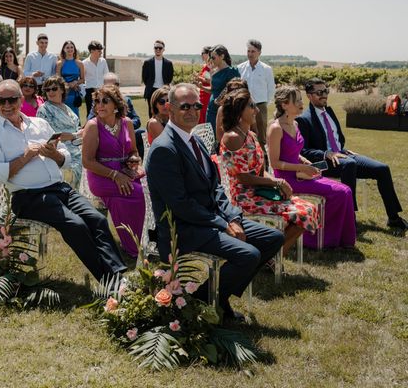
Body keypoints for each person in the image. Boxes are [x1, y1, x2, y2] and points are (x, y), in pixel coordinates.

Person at [146, 83, 284, 321]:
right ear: (169, 108)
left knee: (274, 237)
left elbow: (216, 188)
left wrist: (232, 217)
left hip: (210, 219)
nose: (192, 111)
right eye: (184, 106)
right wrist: (223, 224)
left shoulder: (195, 140)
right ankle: (209, 299)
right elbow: (181, 204)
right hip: (183, 228)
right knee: (249, 255)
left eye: (196, 105)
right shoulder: (164, 149)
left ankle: (213, 296)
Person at [0, 79, 127, 281]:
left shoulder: (39, 124)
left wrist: (54, 155)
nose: (6, 105)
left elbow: (65, 158)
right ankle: (109, 281)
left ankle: (118, 273)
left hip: (59, 188)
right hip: (27, 196)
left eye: (12, 99)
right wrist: (25, 157)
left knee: (98, 219)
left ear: (21, 99)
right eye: (1, 100)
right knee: (76, 225)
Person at [297, 78, 407, 232]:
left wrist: (342, 149)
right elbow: (303, 151)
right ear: (309, 95)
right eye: (319, 92)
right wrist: (327, 153)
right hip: (321, 162)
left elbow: (338, 138)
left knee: (382, 168)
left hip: (342, 155)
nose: (324, 95)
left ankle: (394, 218)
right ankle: (350, 217)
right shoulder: (303, 119)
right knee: (349, 165)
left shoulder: (329, 112)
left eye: (326, 91)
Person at [219, 88, 318, 257]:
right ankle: (271, 258)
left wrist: (278, 183)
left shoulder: (250, 135)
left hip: (259, 192)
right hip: (245, 198)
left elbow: (260, 170)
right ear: (239, 111)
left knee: (308, 209)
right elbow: (242, 177)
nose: (257, 110)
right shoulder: (232, 137)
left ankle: (272, 257)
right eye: (251, 106)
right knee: (302, 213)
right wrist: (276, 182)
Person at [268, 86, 356, 248]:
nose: (302, 103)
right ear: (284, 104)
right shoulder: (275, 128)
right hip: (288, 180)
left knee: (346, 190)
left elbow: (294, 152)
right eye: (298, 101)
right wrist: (301, 168)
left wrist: (305, 161)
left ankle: (341, 238)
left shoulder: (295, 124)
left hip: (303, 174)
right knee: (341, 193)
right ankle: (314, 237)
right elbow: (275, 163)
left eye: (301, 100)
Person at [83, 84, 145, 257]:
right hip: (102, 175)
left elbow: (133, 150)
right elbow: (87, 161)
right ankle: (134, 247)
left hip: (125, 171)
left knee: (148, 189)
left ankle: (138, 241)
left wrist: (133, 161)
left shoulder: (127, 123)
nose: (99, 105)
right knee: (138, 193)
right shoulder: (93, 126)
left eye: (105, 101)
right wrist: (115, 175)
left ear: (116, 105)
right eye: (97, 101)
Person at [36, 76, 82, 189]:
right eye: (47, 89)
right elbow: (51, 135)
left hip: (78, 147)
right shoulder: (44, 109)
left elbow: (77, 128)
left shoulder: (67, 108)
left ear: (62, 89)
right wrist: (74, 135)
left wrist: (79, 134)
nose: (50, 92)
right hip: (61, 152)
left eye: (54, 88)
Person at [87, 72, 144, 158]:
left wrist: (122, 126)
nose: (111, 89)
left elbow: (137, 120)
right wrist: (108, 126)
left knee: (139, 134)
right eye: (107, 86)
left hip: (125, 132)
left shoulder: (126, 100)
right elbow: (91, 119)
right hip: (102, 136)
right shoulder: (98, 102)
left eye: (114, 85)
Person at [238, 39, 275, 152]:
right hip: (244, 105)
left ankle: (263, 159)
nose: (250, 54)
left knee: (261, 134)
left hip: (260, 105)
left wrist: (264, 103)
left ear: (259, 52)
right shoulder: (240, 68)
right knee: (245, 131)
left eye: (253, 51)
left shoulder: (266, 69)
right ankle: (247, 156)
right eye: (248, 51)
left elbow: (271, 88)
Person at [205, 45, 240, 131]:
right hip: (211, 109)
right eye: (210, 58)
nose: (211, 60)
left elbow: (234, 90)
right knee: (210, 134)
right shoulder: (213, 71)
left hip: (224, 109)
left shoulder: (232, 71)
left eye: (213, 57)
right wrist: (200, 86)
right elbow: (212, 90)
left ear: (222, 56)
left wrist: (220, 99)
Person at [141, 40, 174, 117]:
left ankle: (164, 128)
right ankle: (151, 128)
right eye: (156, 48)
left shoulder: (168, 63)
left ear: (163, 49)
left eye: (160, 48)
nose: (158, 49)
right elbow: (144, 78)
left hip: (164, 91)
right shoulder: (147, 63)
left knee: (165, 111)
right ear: (154, 49)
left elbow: (170, 78)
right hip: (151, 90)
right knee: (152, 112)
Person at [56, 40, 85, 116]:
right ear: (64, 49)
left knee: (75, 114)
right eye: (67, 47)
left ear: (74, 49)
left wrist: (75, 82)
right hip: (63, 93)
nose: (70, 49)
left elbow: (83, 79)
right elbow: (58, 79)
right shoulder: (59, 63)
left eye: (72, 47)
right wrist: (68, 85)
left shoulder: (80, 63)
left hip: (75, 93)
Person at [82, 40, 109, 117]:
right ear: (92, 51)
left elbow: (106, 76)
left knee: (103, 112)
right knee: (91, 114)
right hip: (89, 92)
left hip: (102, 91)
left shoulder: (103, 61)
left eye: (101, 50)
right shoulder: (84, 63)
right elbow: (82, 79)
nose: (101, 52)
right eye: (99, 50)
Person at [192, 45, 213, 124]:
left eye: (203, 53)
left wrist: (199, 78)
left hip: (208, 94)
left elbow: (211, 81)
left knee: (205, 113)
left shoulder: (211, 66)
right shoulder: (205, 66)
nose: (201, 55)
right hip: (202, 93)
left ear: (208, 54)